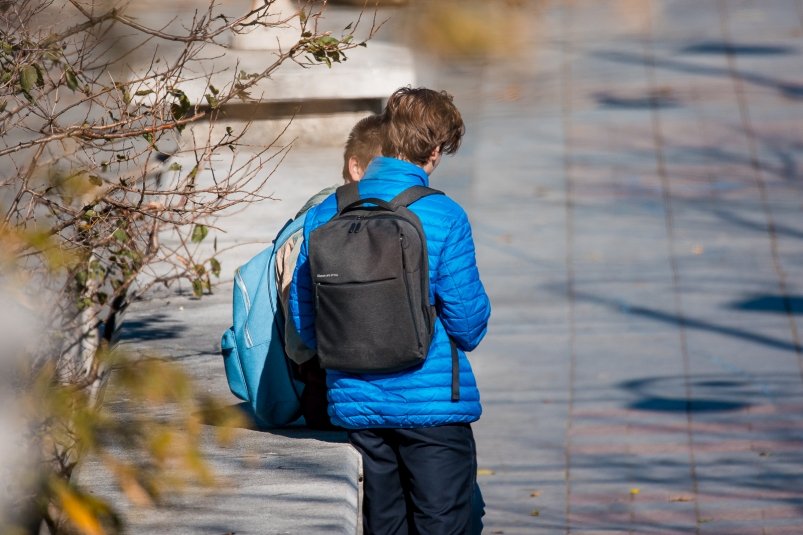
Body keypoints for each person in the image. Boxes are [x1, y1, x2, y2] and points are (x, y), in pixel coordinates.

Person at [289, 87, 491, 534]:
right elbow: (468, 325)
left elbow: (304, 319)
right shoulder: (444, 214)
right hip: (432, 412)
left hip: (355, 407)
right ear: (434, 151)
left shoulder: (325, 212)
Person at [275, 114, 383, 430]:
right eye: (387, 169)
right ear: (356, 168)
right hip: (329, 393)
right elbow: (299, 339)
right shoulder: (321, 224)